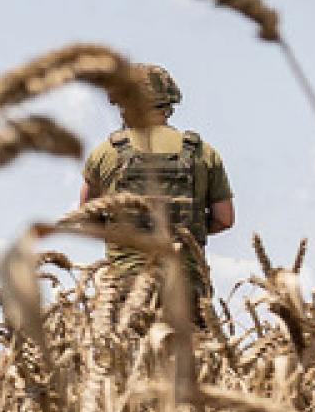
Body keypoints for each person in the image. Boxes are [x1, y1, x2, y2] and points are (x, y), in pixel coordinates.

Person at [80, 63, 237, 303]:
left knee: (124, 340)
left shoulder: (105, 153)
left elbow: (87, 218)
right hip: (186, 287)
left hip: (125, 287)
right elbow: (224, 218)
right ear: (169, 104)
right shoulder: (202, 152)